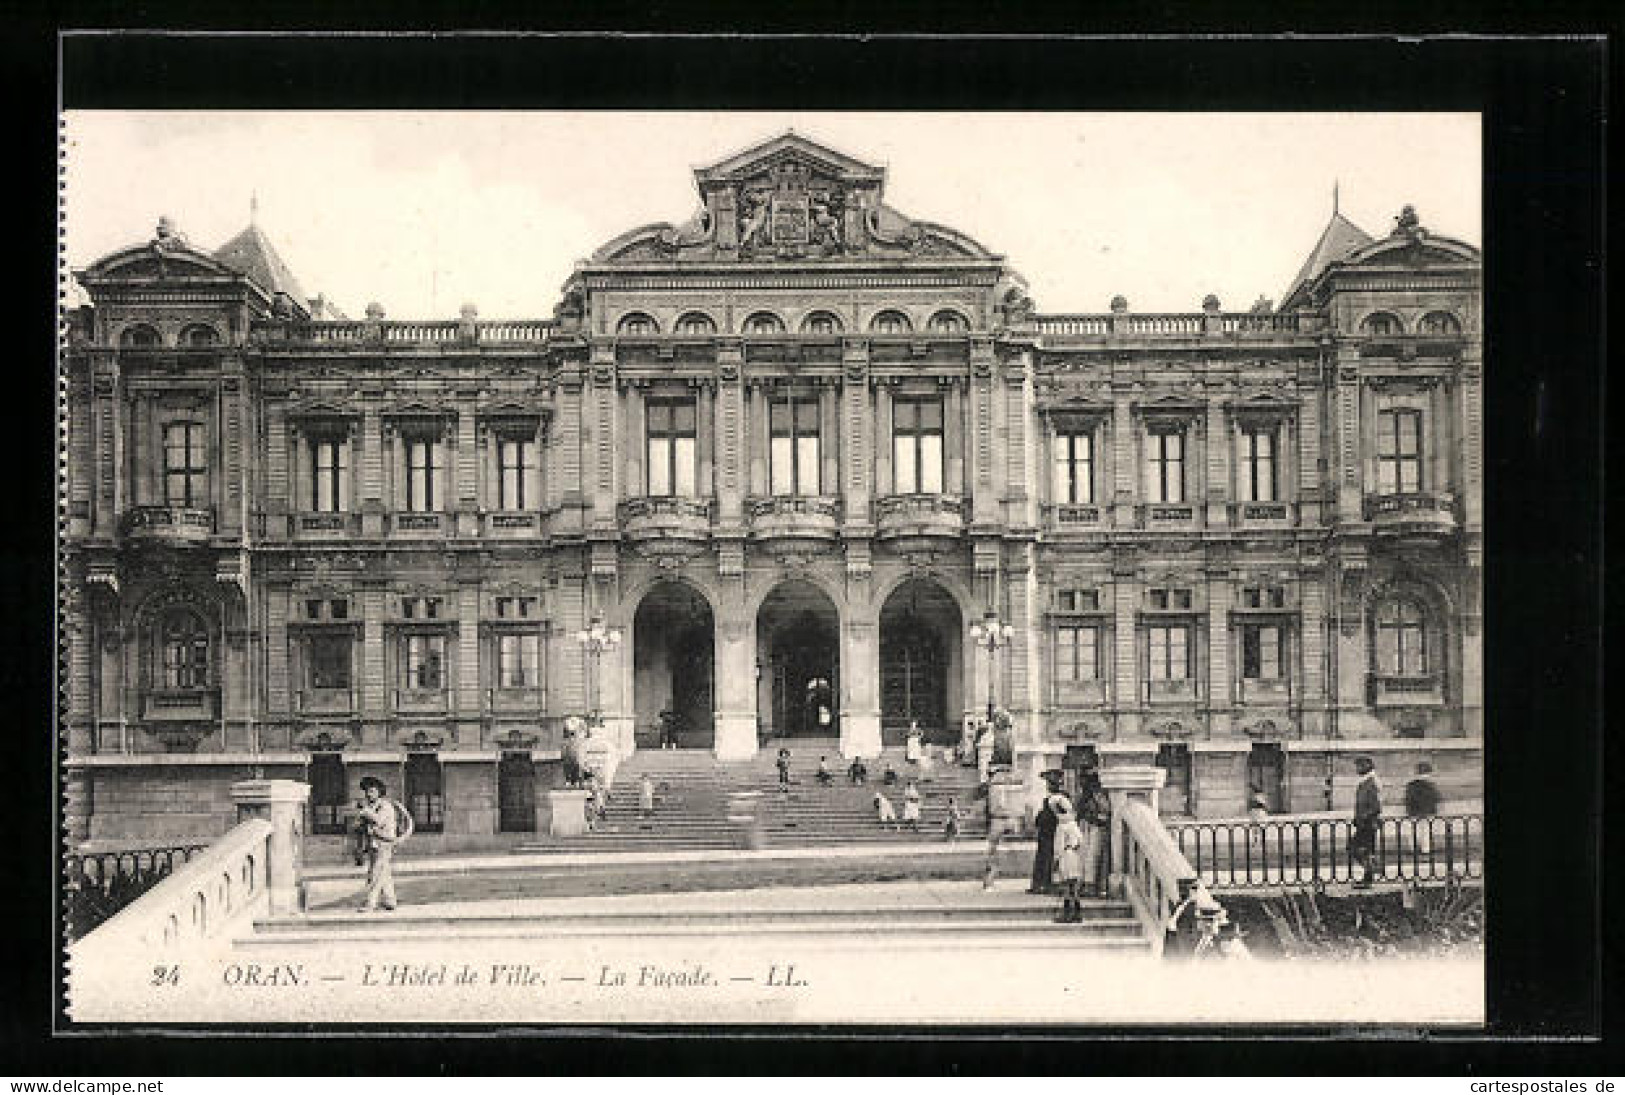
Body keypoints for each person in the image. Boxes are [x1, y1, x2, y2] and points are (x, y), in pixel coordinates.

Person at [355, 776, 412, 912]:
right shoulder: (371, 806)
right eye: (368, 791)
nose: (369, 794)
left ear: (380, 792)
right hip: (374, 844)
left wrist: (364, 812)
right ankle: (390, 901)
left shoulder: (385, 806)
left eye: (373, 791)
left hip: (384, 843)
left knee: (375, 874)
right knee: (383, 872)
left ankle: (370, 904)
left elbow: (379, 821)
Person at [1074, 767, 1111, 898]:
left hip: (1097, 829)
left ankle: (1091, 886)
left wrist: (1094, 817)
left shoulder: (1098, 796)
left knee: (1093, 857)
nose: (1082, 784)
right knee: (1083, 858)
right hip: (1085, 828)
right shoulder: (1083, 797)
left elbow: (1105, 813)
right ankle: (1083, 885)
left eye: (1085, 781)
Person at [1028, 771, 1064, 895]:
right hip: (1045, 831)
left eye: (1051, 783)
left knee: (1049, 857)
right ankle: (1040, 883)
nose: (1049, 786)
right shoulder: (1049, 798)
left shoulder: (1060, 798)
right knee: (1043, 857)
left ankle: (1047, 884)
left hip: (1053, 831)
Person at [1051, 798, 1085, 923]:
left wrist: (1056, 860)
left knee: (1066, 885)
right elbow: (1081, 840)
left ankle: (1067, 913)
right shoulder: (1073, 824)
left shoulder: (1061, 826)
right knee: (1074, 885)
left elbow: (1058, 846)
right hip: (1074, 855)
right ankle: (1077, 913)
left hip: (1065, 855)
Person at [1351, 756, 1382, 888]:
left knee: (1358, 849)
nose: (1357, 769)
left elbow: (1376, 807)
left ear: (1367, 766)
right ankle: (1368, 877)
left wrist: (1362, 817)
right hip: (1364, 823)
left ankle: (1372, 873)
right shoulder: (1366, 781)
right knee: (1365, 851)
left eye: (1359, 766)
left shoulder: (1372, 782)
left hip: (1368, 823)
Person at [1404, 761, 1442, 859]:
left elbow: (1408, 799)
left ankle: (1413, 849)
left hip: (1414, 812)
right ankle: (1426, 850)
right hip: (1428, 811)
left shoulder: (1411, 785)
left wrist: (1409, 810)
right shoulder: (1431, 785)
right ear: (1428, 772)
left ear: (1416, 772)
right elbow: (1437, 797)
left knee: (1413, 831)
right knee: (1426, 831)